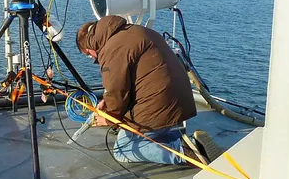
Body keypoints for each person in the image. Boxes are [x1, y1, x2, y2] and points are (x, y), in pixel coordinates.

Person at [75, 16, 225, 166]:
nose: (93, 59)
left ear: (90, 47)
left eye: (89, 55)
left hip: (160, 106)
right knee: (151, 136)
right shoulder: (136, 31)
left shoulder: (111, 49)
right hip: (180, 102)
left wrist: (108, 118)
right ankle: (192, 141)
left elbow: (117, 91)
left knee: (123, 149)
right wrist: (107, 102)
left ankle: (188, 152)